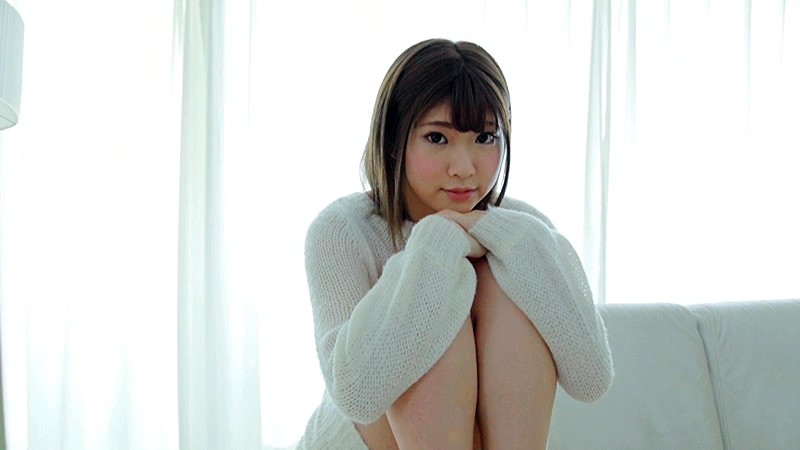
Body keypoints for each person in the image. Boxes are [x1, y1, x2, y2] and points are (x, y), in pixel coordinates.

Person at [296, 38, 614, 449]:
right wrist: (437, 240)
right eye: (437, 138)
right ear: (394, 141)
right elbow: (357, 394)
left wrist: (508, 234)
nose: (464, 168)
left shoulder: (522, 228)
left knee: (505, 282)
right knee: (433, 301)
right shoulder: (342, 230)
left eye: (485, 138)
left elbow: (592, 379)